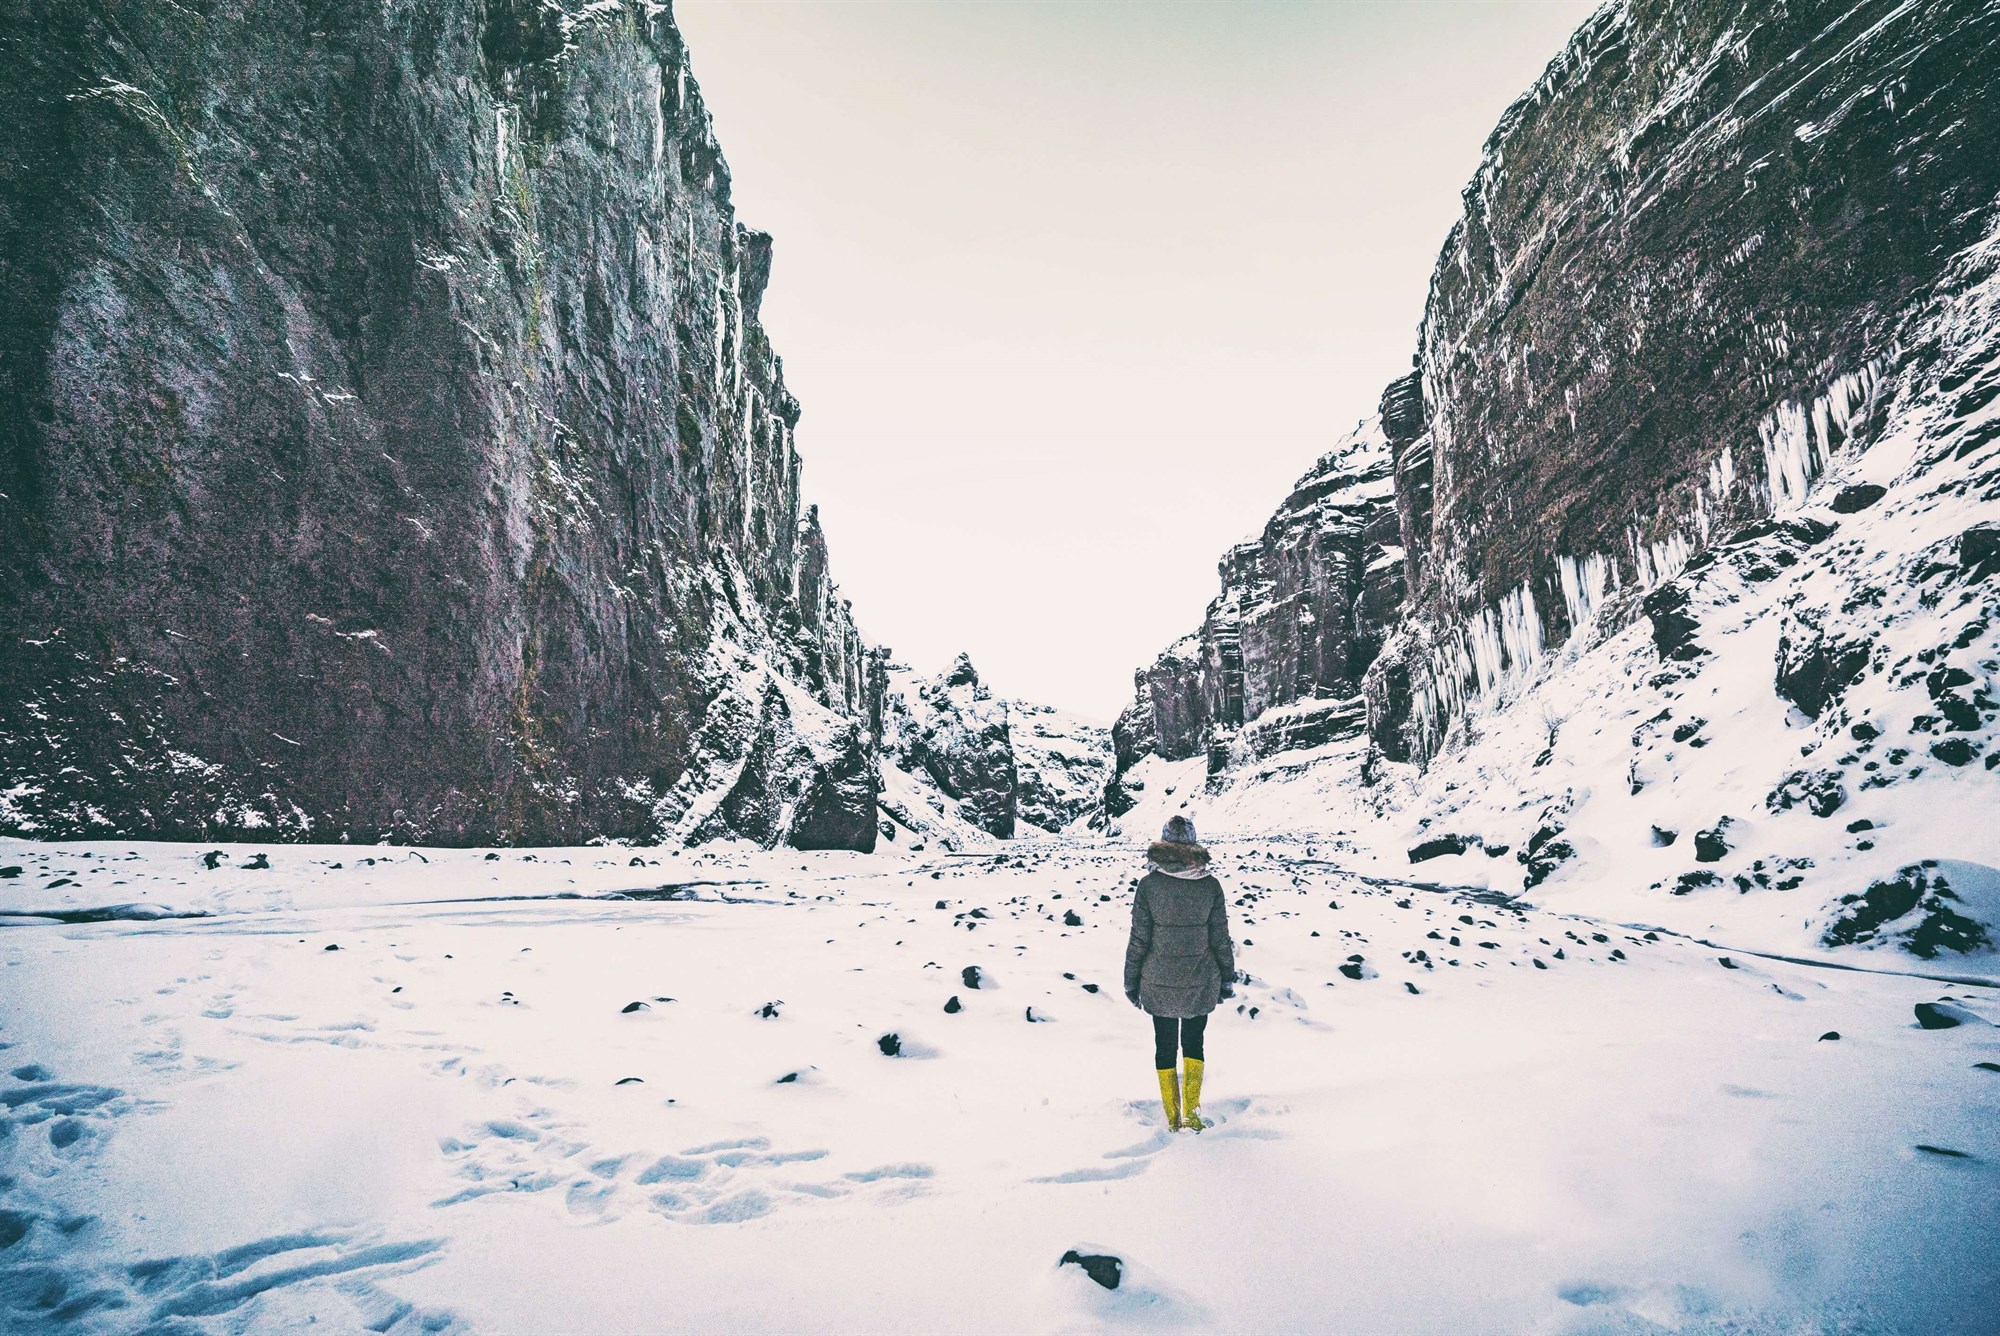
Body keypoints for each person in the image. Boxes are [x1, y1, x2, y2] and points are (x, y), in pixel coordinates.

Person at [1123, 814, 1234, 1132]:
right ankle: (1192, 1114)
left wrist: (1131, 980)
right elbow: (1220, 937)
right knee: (1195, 1043)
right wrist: (1226, 976)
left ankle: (1173, 1117)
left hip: (1158, 980)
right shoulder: (1211, 886)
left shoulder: (1149, 886)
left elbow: (1139, 938)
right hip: (1200, 978)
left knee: (1165, 1044)